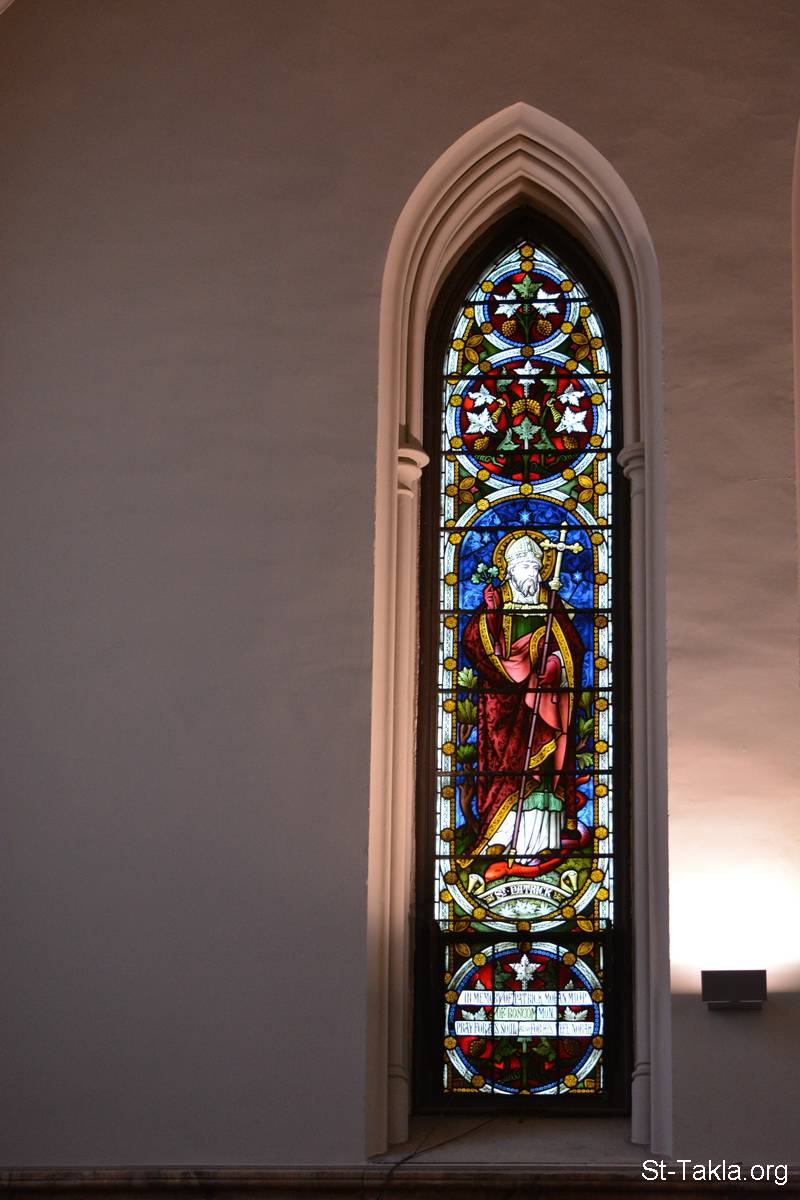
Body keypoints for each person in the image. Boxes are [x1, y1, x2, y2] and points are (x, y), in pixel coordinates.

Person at [462, 531, 584, 862]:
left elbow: (572, 648)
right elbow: (474, 643)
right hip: (501, 702)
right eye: (524, 566)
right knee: (504, 769)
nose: (531, 573)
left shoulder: (552, 605)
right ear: (510, 570)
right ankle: (500, 836)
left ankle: (542, 841)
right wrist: (491, 616)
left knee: (541, 772)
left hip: (544, 699)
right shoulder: (495, 603)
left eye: (535, 566)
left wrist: (554, 665)